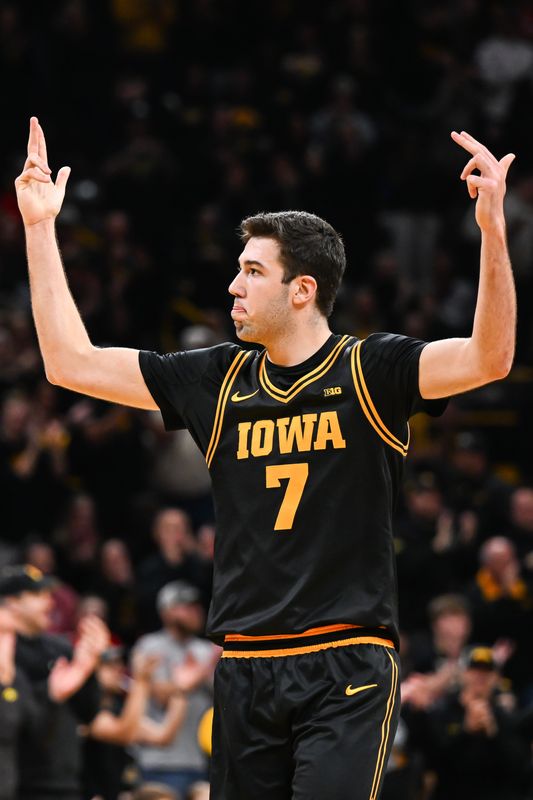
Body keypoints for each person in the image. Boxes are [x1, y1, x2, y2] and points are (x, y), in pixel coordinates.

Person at [15, 116, 516, 799]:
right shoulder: (217, 379)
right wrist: (40, 229)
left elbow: (489, 358)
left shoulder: (371, 369)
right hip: (245, 664)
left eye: (252, 271)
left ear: (302, 289)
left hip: (346, 663)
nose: (233, 286)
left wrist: (492, 234)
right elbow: (70, 364)